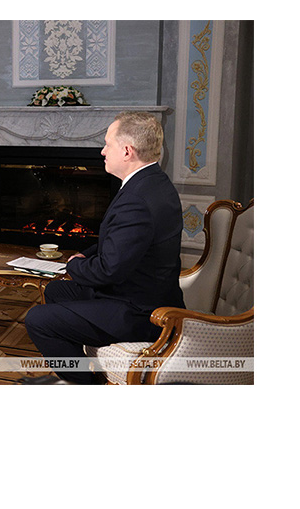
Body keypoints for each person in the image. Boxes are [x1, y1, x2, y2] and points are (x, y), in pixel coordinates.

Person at [20, 112, 185, 384]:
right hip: (140, 292)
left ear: (127, 151)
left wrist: (74, 265)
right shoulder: (153, 182)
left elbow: (109, 270)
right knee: (56, 290)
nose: (102, 151)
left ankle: (87, 383)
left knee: (38, 319)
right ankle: (85, 363)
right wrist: (86, 253)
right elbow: (122, 240)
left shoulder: (137, 199)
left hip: (140, 312)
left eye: (108, 144)